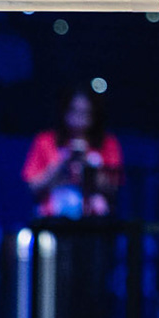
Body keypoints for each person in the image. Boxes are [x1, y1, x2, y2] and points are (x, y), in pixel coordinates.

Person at [24, 86, 122, 219]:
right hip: (52, 218)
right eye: (74, 111)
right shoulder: (45, 141)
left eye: (85, 112)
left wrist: (88, 166)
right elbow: (33, 187)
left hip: (95, 220)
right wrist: (63, 164)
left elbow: (114, 188)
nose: (79, 118)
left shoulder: (108, 143)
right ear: (64, 111)